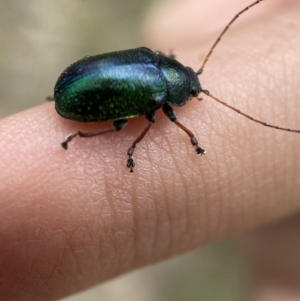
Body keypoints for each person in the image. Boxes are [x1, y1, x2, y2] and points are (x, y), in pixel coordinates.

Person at [0, 0, 299, 300]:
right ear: (178, 84)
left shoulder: (152, 58)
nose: (196, 93)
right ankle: (79, 134)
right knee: (125, 126)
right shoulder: (158, 94)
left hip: (77, 78)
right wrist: (141, 148)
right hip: (77, 89)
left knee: (134, 121)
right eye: (193, 91)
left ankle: (72, 121)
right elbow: (147, 123)